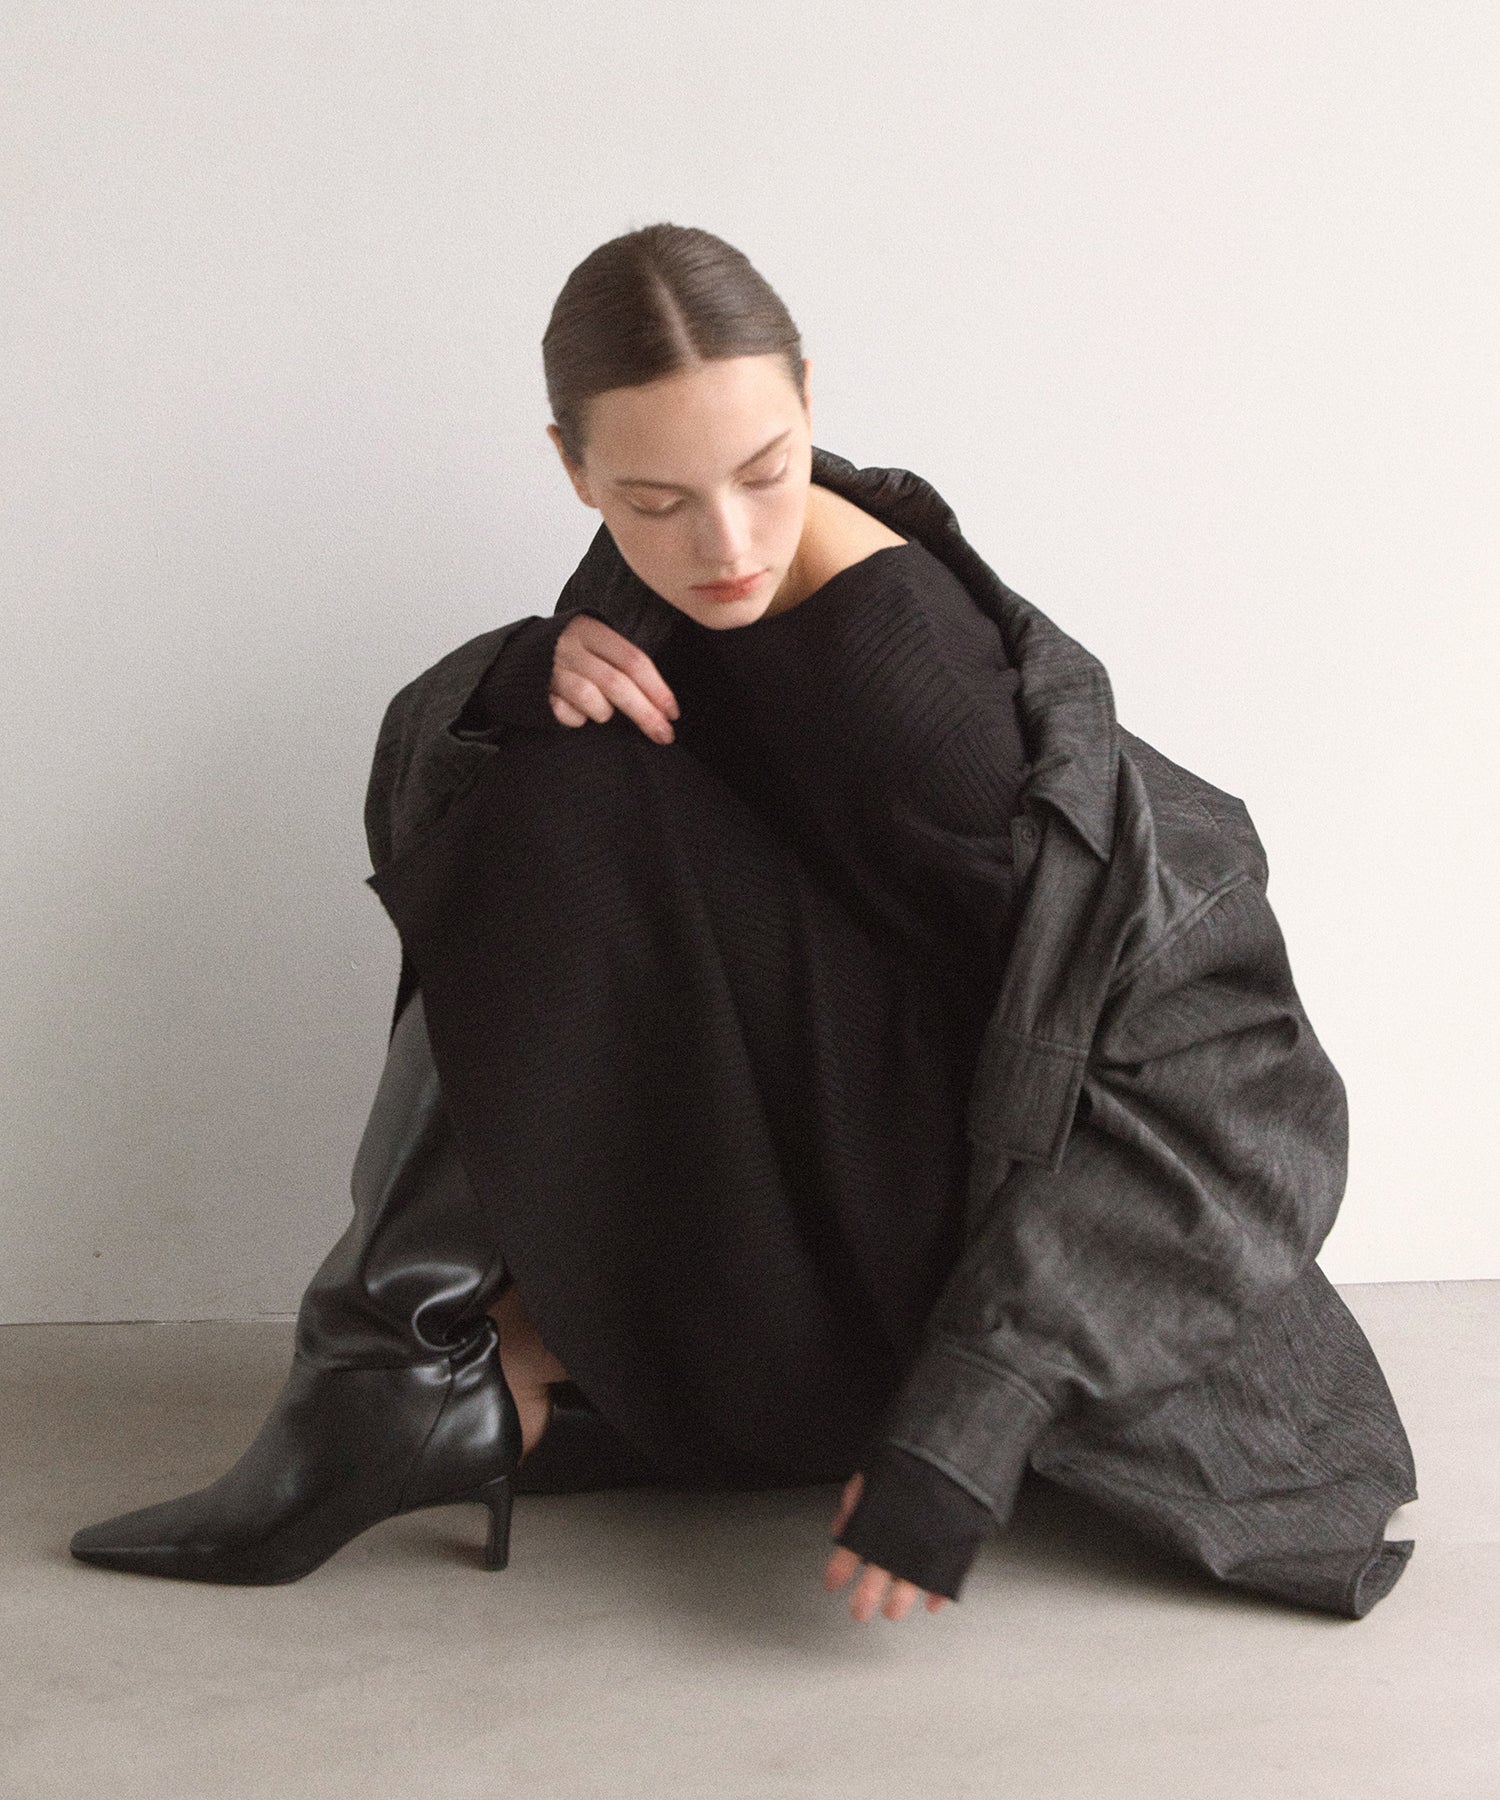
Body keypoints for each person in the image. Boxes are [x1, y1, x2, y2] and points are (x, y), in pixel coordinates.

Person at [70, 223, 1417, 1624]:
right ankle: (414, 1367)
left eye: (766, 472)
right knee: (557, 755)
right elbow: (514, 869)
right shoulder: (650, 585)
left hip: (988, 1254)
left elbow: (1236, 1089)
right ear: (573, 467)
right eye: (654, 500)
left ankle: (417, 1377)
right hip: (820, 1186)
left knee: (563, 788)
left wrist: (979, 1405)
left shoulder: (915, 691)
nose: (724, 545)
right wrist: (515, 673)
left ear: (810, 403)